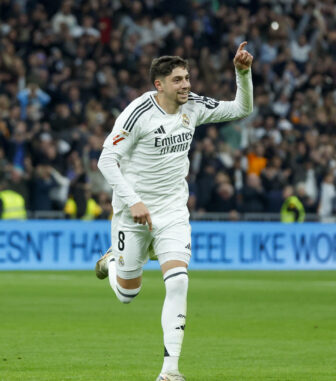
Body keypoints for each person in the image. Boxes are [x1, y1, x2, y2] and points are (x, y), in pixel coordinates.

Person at [95, 42, 253, 381]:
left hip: (172, 212)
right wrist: (133, 200)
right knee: (127, 294)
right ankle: (112, 261)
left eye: (187, 78)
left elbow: (241, 109)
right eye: (179, 80)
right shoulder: (137, 114)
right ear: (160, 85)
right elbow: (106, 160)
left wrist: (243, 73)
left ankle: (170, 371)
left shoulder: (193, 106)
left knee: (179, 281)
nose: (187, 85)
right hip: (132, 213)